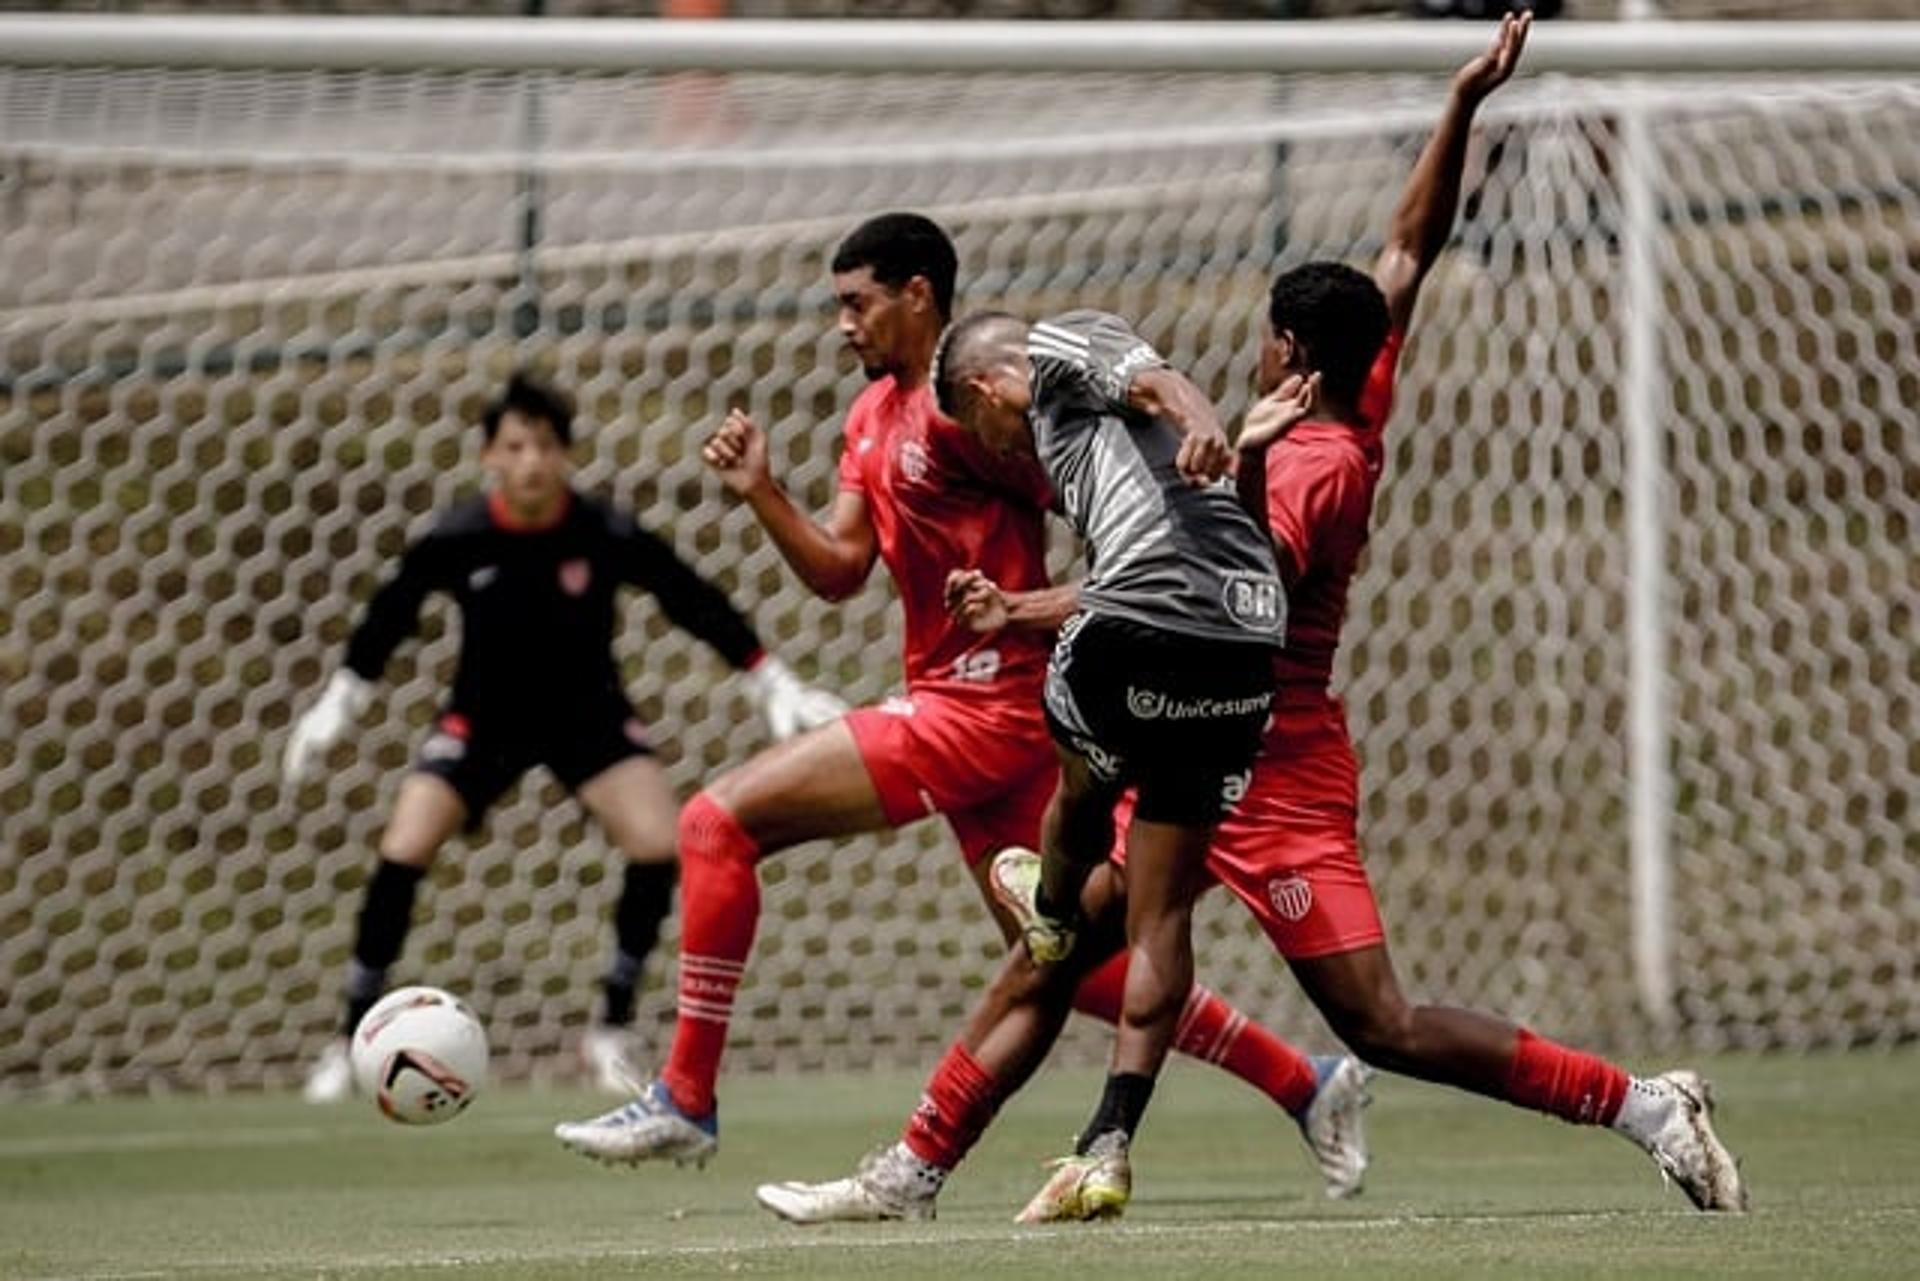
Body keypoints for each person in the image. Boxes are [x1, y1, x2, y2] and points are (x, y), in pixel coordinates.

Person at [757, 12, 1745, 1226]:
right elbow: (1403, 253)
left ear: (1289, 348)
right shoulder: (1344, 382)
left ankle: (1643, 1105)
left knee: (1377, 1020)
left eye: (1270, 332)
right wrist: (1461, 105)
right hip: (1198, 729)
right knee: (1056, 950)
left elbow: (1184, 592)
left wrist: (1022, 608)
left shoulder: (1319, 465)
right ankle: (919, 1169)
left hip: (1265, 755)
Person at [552, 213, 1371, 1186]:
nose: (843, 325)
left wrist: (1187, 478)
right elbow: (841, 571)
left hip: (989, 705)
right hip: (963, 707)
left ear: (918, 296)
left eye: (857, 303)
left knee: (714, 824)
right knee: (1061, 960)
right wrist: (764, 492)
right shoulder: (871, 420)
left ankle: (686, 1098)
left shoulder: (972, 408)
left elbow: (1118, 477)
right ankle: (1305, 1082)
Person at [286, 374, 845, 1102]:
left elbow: (687, 594)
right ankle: (350, 1036)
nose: (531, 461)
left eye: (545, 445)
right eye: (515, 445)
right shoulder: (458, 537)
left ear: (566, 454)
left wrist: (766, 675)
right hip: (480, 719)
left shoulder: (601, 530)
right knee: (404, 847)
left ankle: (610, 1028)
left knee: (658, 840)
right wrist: (342, 698)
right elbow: (390, 612)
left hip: (589, 717)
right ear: (489, 455)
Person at [911, 299, 1291, 1216]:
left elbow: (1158, 381)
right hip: (1244, 636)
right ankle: (1109, 1146)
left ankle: (1045, 908)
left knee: (1078, 772)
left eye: (987, 429)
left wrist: (1208, 428)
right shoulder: (1102, 457)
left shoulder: (1054, 347)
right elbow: (1134, 577)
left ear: (987, 386)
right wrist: (1012, 609)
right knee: (1158, 912)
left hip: (1146, 628)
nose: (1003, 448)